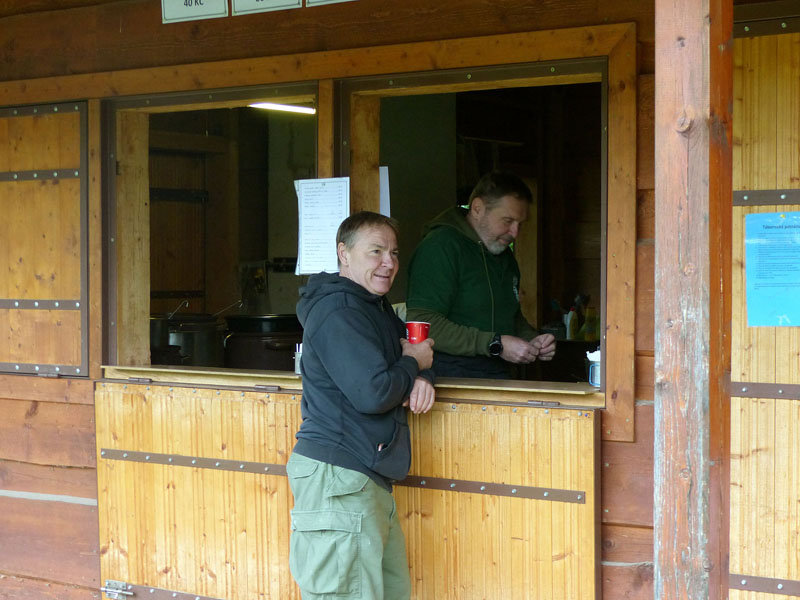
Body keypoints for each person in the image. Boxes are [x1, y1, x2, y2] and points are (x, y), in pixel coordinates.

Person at [287, 211, 436, 600]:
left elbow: (412, 354)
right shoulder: (338, 310)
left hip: (364, 480)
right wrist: (413, 365)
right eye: (376, 251)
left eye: (394, 253)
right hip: (339, 478)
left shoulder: (373, 306)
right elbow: (374, 392)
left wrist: (421, 375)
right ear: (344, 253)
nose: (389, 262)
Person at [406, 170, 556, 379]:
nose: (515, 233)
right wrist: (495, 343)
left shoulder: (504, 255)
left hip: (498, 373)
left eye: (520, 224)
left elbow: (510, 316)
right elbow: (423, 323)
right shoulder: (440, 247)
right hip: (449, 377)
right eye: (508, 221)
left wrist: (532, 340)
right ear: (477, 208)